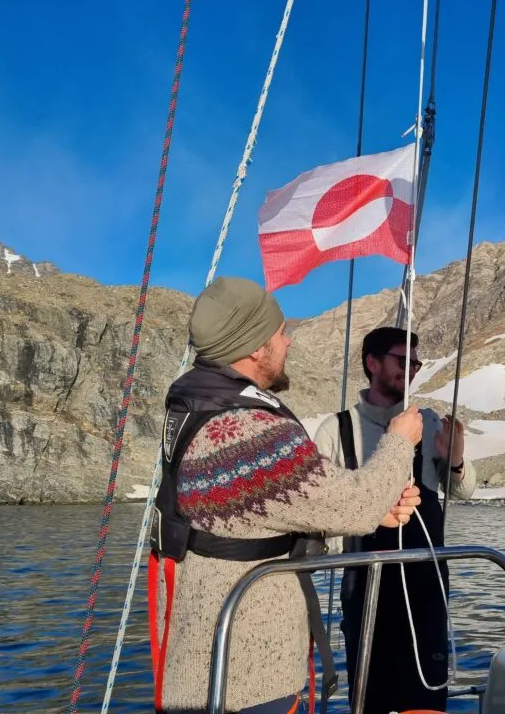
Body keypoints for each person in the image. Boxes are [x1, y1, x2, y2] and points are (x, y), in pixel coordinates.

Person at [147, 278, 424, 714]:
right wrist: (399, 441)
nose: (287, 340)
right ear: (256, 347)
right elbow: (355, 504)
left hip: (205, 659)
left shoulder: (200, 407)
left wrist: (378, 511)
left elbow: (257, 508)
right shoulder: (247, 432)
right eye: (279, 332)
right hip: (248, 674)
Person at [313, 326, 477, 714]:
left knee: (426, 702)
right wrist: (364, 522)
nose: (413, 370)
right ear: (372, 363)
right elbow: (318, 521)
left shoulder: (430, 422)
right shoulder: (336, 431)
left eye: (416, 363)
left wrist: (453, 460)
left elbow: (464, 492)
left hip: (426, 590)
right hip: (365, 591)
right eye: (403, 361)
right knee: (370, 701)